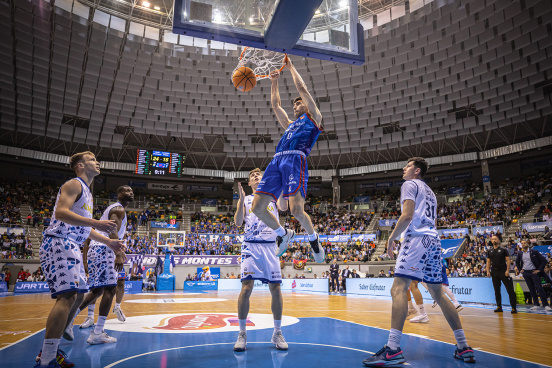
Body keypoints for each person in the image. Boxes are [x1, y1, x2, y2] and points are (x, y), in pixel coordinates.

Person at [363, 157, 475, 367]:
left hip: (416, 239)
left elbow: (406, 216)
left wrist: (392, 238)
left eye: (407, 166)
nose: (403, 169)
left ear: (416, 171)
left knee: (398, 289)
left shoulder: (409, 184)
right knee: (438, 294)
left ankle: (393, 349)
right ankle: (463, 347)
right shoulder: (430, 192)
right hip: (434, 241)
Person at [35, 151, 124, 368]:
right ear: (81, 166)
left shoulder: (88, 193)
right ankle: (46, 360)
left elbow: (84, 228)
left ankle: (53, 348)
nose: (98, 162)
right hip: (59, 241)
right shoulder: (74, 184)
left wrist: (108, 242)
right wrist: (98, 222)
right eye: (93, 160)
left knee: (78, 297)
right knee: (67, 297)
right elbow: (61, 213)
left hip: (72, 244)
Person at [251, 56, 325, 264]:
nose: (295, 106)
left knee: (296, 210)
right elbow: (276, 106)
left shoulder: (314, 118)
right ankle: (284, 234)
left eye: (298, 104)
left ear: (307, 106)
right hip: (277, 161)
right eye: (294, 106)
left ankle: (314, 239)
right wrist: (274, 80)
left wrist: (290, 66)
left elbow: (302, 88)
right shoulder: (291, 125)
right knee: (256, 208)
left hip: (295, 161)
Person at [68, 186, 133, 344]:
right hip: (105, 249)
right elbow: (112, 229)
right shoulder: (118, 209)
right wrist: (117, 252)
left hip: (97, 249)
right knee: (110, 289)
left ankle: (68, 321)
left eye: (132, 191)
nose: (130, 192)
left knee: (97, 290)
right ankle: (97, 332)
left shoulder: (113, 208)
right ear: (118, 194)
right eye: (126, 190)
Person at [233, 168, 288, 352]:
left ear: (264, 179)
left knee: (276, 288)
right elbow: (238, 223)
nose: (255, 177)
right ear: (249, 183)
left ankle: (277, 332)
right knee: (246, 288)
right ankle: (242, 333)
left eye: (259, 175)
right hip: (250, 245)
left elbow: (284, 207)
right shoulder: (247, 200)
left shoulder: (272, 196)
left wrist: (280, 187)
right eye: (252, 176)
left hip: (270, 247)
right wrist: (240, 200)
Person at [515, 240, 551, 311]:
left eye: (524, 243)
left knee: (539, 288)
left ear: (528, 244)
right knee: (531, 289)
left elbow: (544, 260)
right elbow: (517, 262)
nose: (523, 244)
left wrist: (539, 270)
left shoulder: (534, 252)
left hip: (534, 272)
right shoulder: (520, 253)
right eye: (522, 243)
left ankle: (546, 304)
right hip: (526, 273)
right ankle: (536, 304)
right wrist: (520, 269)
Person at [486, 235, 517, 313]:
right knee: (497, 290)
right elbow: (488, 262)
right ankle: (499, 306)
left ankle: (513, 307)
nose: (494, 240)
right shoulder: (490, 251)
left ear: (498, 240)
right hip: (494, 272)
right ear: (491, 241)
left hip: (503, 271)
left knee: (510, 290)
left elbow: (508, 260)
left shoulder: (503, 250)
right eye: (492, 239)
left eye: (495, 239)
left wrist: (507, 270)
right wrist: (487, 271)